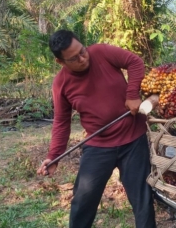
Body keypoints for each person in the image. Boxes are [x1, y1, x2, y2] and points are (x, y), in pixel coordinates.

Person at [37, 30, 156, 228]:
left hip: (133, 140)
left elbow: (135, 62)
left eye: (82, 51)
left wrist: (132, 93)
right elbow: (61, 121)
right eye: (74, 58)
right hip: (98, 145)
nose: (83, 58)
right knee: (83, 200)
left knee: (142, 199)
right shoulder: (61, 84)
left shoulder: (101, 52)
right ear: (61, 62)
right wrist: (54, 155)